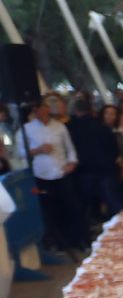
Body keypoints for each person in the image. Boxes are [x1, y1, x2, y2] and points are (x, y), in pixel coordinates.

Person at [23, 95, 89, 256]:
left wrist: (72, 162)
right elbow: (21, 153)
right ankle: (59, 243)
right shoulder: (26, 129)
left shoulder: (59, 126)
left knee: (73, 206)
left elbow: (70, 148)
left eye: (43, 107)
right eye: (37, 109)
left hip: (62, 172)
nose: (41, 111)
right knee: (50, 210)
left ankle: (80, 240)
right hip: (41, 175)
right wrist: (38, 150)